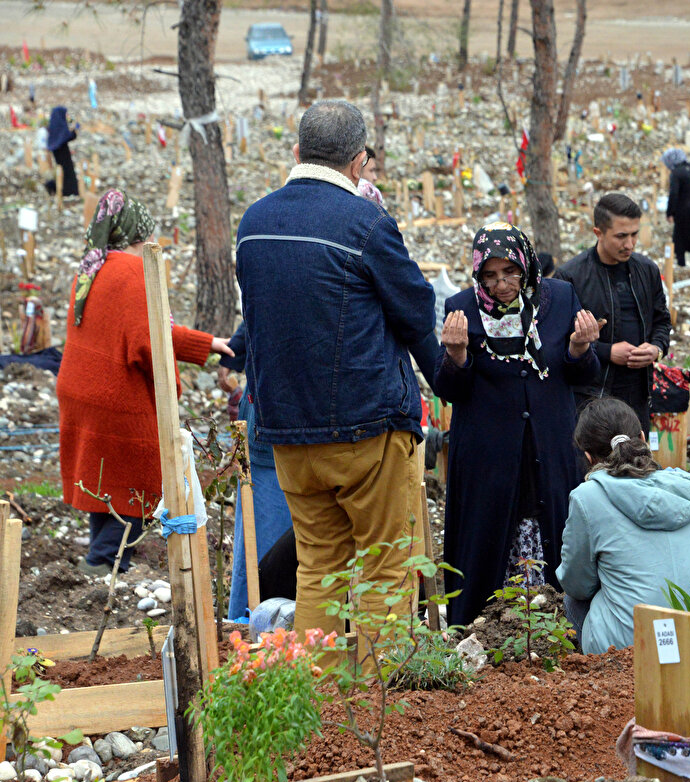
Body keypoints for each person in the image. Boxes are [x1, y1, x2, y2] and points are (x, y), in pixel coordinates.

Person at [235, 100, 435, 648]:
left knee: (319, 565)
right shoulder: (366, 223)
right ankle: (376, 690)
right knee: (385, 566)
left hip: (286, 433)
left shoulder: (253, 223)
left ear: (297, 151)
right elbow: (417, 311)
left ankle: (320, 690)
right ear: (358, 161)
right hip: (365, 429)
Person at [57, 189, 232, 574]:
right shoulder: (134, 272)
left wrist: (206, 343)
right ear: (138, 234)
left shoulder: (93, 266)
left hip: (82, 388)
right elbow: (148, 341)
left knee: (105, 477)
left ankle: (101, 558)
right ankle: (106, 563)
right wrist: (171, 390)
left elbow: (143, 328)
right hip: (116, 394)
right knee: (136, 475)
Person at [436, 222, 601, 627]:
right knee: (488, 537)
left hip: (549, 444)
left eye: (510, 272)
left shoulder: (559, 300)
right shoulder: (461, 308)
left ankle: (561, 624)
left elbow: (585, 376)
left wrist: (579, 348)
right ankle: (483, 628)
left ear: (525, 266)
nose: (501, 285)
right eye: (490, 276)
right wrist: (457, 356)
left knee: (554, 528)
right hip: (488, 455)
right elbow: (449, 390)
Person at [557, 398, 690, 654]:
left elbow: (577, 584)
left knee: (573, 601)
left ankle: (601, 668)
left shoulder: (588, 497)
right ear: (642, 437)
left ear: (588, 457)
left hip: (630, 650)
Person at [557, 193, 672, 435]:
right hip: (590, 396)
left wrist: (656, 348)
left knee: (635, 455)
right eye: (621, 236)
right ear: (598, 233)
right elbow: (559, 339)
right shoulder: (570, 277)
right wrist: (607, 351)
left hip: (638, 393)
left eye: (634, 235)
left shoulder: (647, 270)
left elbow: (662, 320)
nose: (629, 244)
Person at [217, 324, 293, 621]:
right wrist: (236, 349)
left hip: (292, 417)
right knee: (262, 541)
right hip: (273, 423)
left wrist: (235, 350)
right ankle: (253, 624)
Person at [43, 106, 79, 197]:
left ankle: (60, 189)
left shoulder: (54, 126)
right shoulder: (60, 125)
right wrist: (75, 131)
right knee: (67, 173)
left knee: (63, 173)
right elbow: (67, 137)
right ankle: (68, 191)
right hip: (63, 154)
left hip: (58, 154)